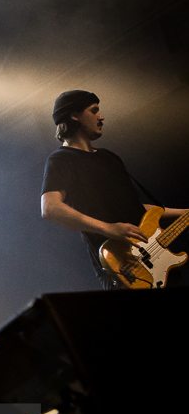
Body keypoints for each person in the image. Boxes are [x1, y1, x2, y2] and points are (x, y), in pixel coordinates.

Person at [40, 90, 187, 289]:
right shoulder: (61, 159)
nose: (101, 117)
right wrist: (108, 228)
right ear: (74, 115)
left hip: (157, 260)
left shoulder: (109, 157)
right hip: (124, 268)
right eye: (94, 111)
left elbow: (135, 207)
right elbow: (50, 208)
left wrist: (185, 213)